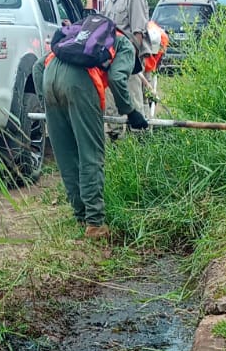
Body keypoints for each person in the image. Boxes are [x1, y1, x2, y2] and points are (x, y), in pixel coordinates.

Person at [38, 22, 149, 239]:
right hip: (80, 83)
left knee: (67, 155)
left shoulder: (81, 33)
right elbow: (117, 79)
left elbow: (37, 66)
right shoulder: (125, 45)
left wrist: (49, 104)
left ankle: (80, 214)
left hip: (48, 78)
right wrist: (131, 112)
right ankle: (95, 223)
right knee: (91, 155)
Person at [101, 0, 150, 115]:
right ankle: (115, 136)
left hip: (127, 59)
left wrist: (130, 60)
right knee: (112, 105)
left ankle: (138, 136)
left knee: (133, 101)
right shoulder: (110, 2)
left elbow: (138, 32)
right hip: (111, 60)